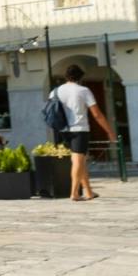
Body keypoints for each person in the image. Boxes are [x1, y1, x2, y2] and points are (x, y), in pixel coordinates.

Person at [52, 66, 111, 201]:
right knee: (78, 161)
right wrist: (109, 131)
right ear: (80, 77)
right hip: (80, 129)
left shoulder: (56, 91)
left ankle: (88, 191)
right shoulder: (83, 91)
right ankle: (74, 193)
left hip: (63, 130)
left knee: (80, 161)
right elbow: (96, 114)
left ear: (66, 76)